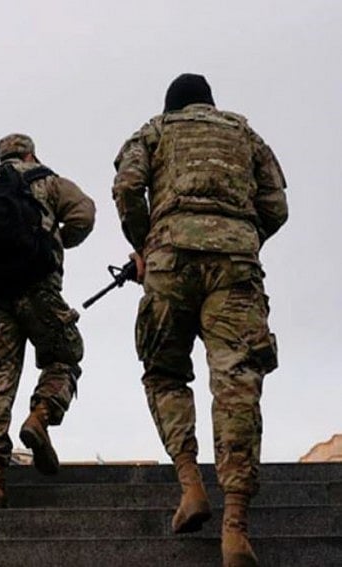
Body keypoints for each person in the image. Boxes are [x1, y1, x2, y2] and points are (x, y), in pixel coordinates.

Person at [112, 74, 288, 566]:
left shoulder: (155, 130)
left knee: (164, 371)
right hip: (235, 263)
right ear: (210, 104)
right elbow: (276, 205)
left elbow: (127, 187)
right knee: (236, 381)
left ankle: (191, 485)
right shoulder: (246, 135)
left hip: (168, 260)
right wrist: (240, 235)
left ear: (173, 105)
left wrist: (145, 240)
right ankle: (235, 528)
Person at [0, 133, 95, 508]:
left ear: (1, 158)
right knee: (64, 356)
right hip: (39, 291)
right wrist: (54, 241)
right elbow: (85, 214)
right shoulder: (47, 180)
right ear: (30, 153)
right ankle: (41, 416)